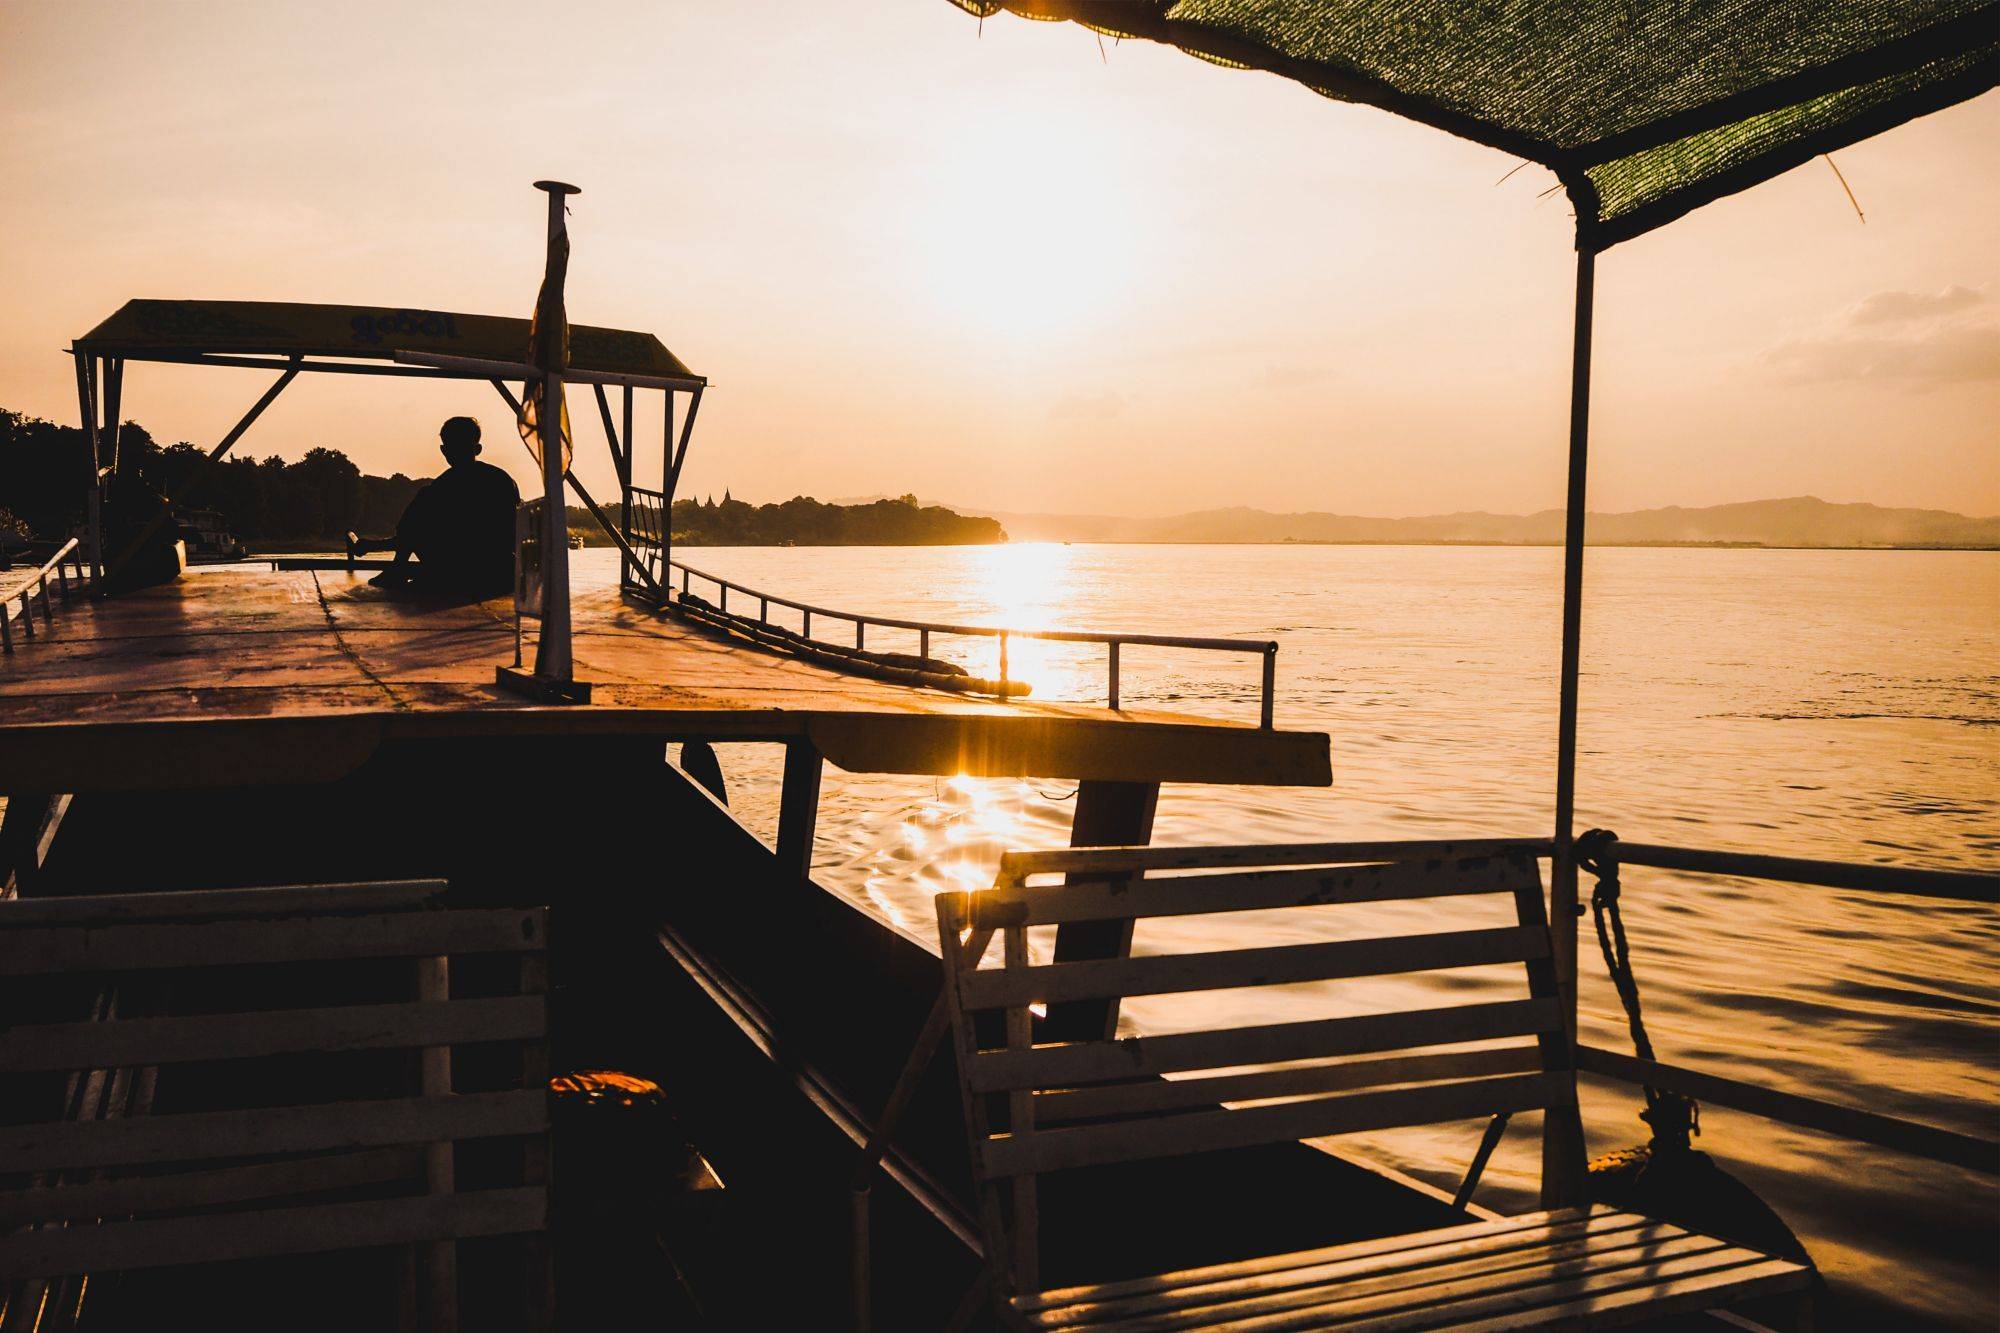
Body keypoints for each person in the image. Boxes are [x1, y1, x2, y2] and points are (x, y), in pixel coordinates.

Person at [348, 416, 519, 597]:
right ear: (477, 449)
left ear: (444, 451)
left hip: (462, 573)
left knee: (422, 503)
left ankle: (398, 568)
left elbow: (413, 535)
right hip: (502, 574)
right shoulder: (504, 481)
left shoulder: (439, 489)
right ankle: (407, 570)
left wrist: (371, 546)